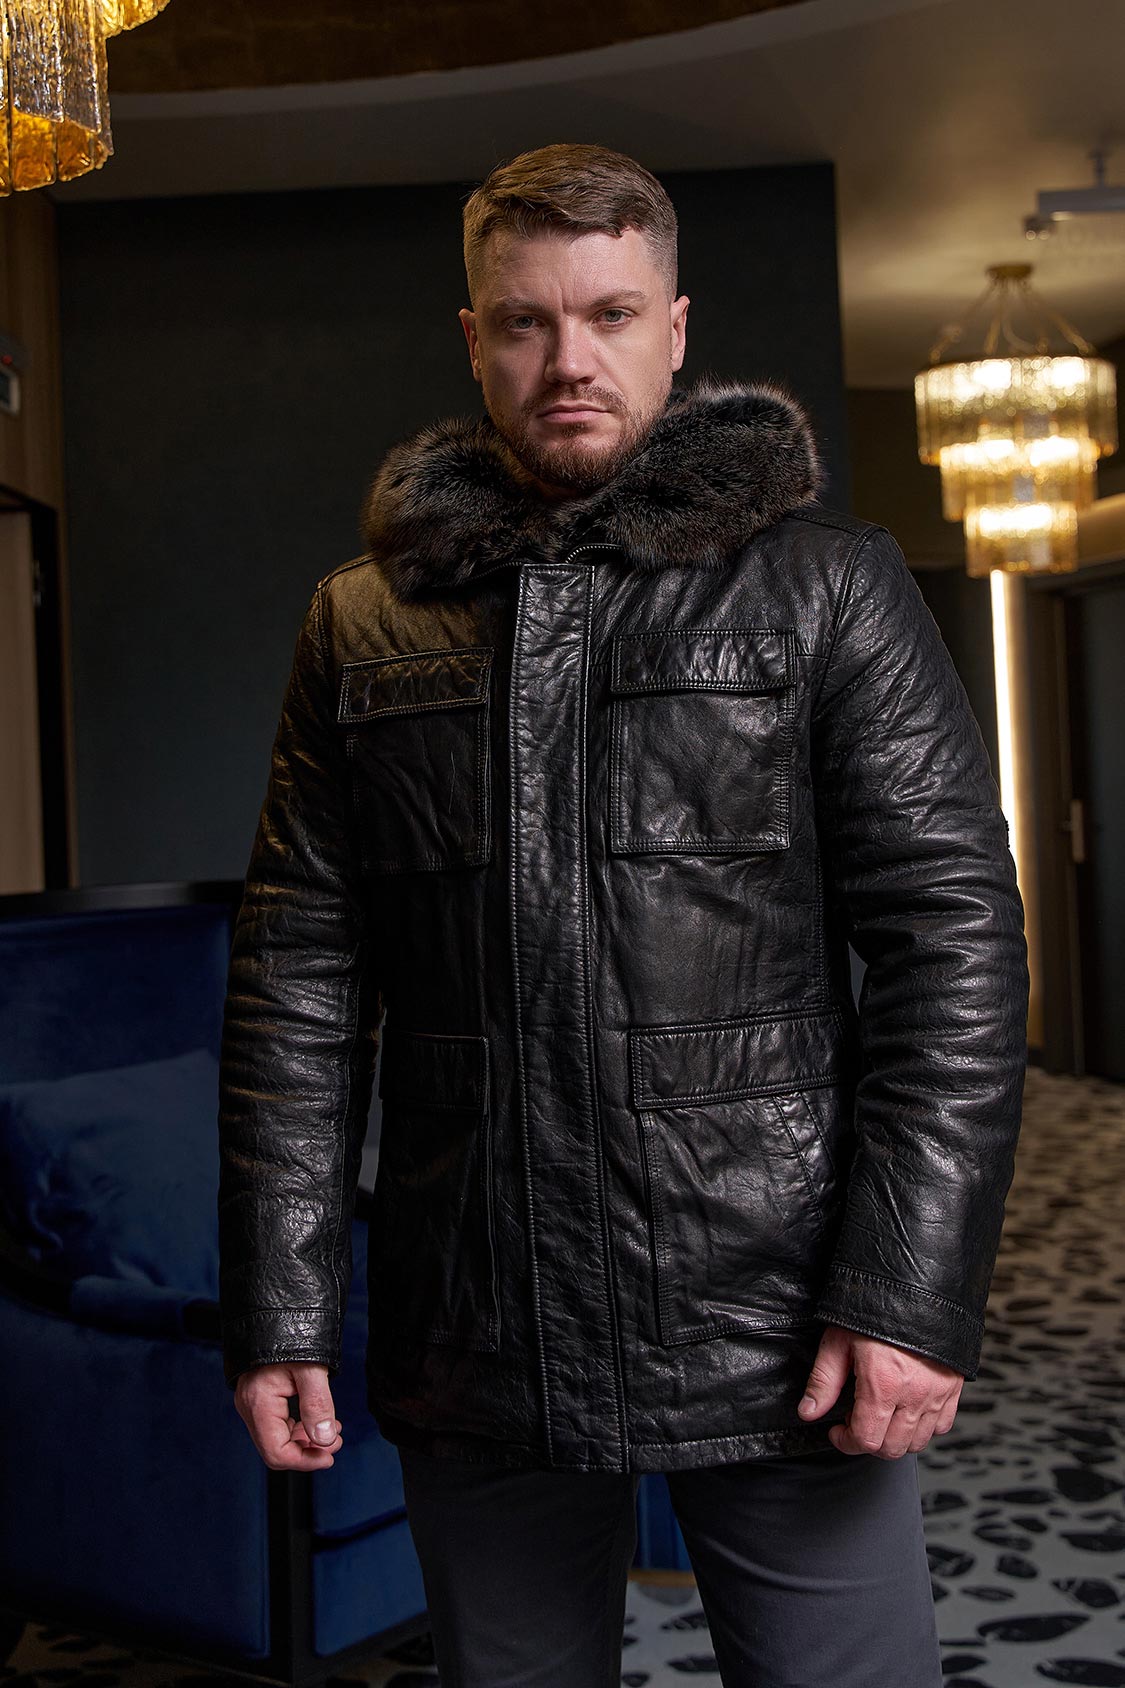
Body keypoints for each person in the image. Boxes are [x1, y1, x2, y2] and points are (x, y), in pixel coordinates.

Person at [217, 142, 1030, 1687]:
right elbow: (296, 988)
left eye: (608, 314)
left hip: (779, 1306)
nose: (567, 360)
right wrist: (280, 1306)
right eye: (525, 323)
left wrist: (908, 1288)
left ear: (674, 327)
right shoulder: (361, 619)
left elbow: (955, 950)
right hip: (479, 1310)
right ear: (474, 338)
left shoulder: (828, 587)